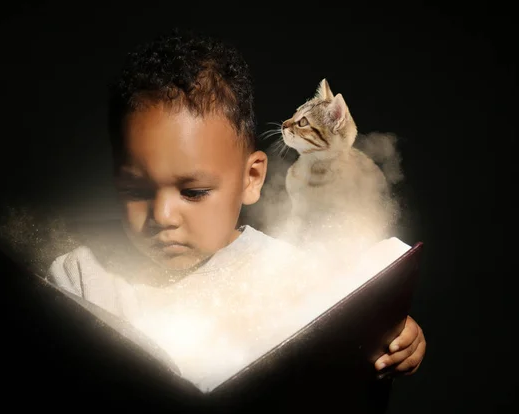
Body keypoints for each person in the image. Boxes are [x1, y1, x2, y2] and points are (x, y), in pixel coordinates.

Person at [47, 28, 426, 409]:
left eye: (193, 192)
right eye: (136, 191)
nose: (161, 216)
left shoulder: (296, 276)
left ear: (251, 179)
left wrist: (395, 337)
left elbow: (348, 353)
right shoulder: (78, 277)